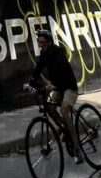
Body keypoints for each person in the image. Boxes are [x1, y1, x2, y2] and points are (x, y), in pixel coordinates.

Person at [26, 26, 83, 164]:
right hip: (58, 88)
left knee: (64, 110)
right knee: (49, 107)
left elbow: (60, 72)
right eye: (39, 42)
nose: (39, 44)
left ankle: (77, 149)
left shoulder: (58, 53)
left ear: (49, 42)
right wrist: (29, 83)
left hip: (69, 88)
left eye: (42, 41)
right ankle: (65, 127)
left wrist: (53, 85)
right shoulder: (44, 55)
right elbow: (37, 69)